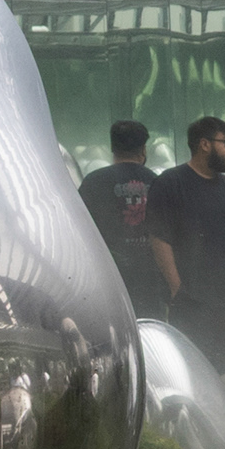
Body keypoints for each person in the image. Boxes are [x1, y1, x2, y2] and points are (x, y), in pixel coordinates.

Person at [157, 115, 225, 365]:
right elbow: (160, 240)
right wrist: (177, 290)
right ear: (204, 144)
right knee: (196, 366)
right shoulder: (171, 184)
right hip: (194, 303)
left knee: (219, 367)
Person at [78, 119, 177, 317]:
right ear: (143, 149)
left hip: (107, 278)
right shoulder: (157, 182)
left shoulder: (93, 182)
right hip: (150, 280)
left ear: (112, 147)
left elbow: (79, 230)